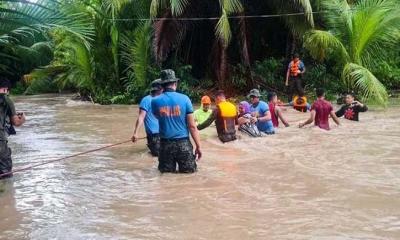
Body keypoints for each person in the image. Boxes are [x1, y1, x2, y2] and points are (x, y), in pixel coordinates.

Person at [151, 69, 201, 173]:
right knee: (189, 175)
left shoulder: (155, 101)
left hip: (165, 145)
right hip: (183, 144)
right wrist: (198, 146)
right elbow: (192, 126)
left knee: (166, 176)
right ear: (175, 83)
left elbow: (157, 116)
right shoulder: (185, 99)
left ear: (162, 85)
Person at [0, 77, 26, 179]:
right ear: (6, 89)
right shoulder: (6, 99)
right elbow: (16, 122)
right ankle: (7, 193)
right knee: (5, 172)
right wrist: (23, 118)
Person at [131, 79, 163, 157]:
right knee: (157, 156)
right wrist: (135, 133)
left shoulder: (163, 100)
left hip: (163, 133)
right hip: (153, 135)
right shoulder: (146, 100)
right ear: (160, 89)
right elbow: (141, 117)